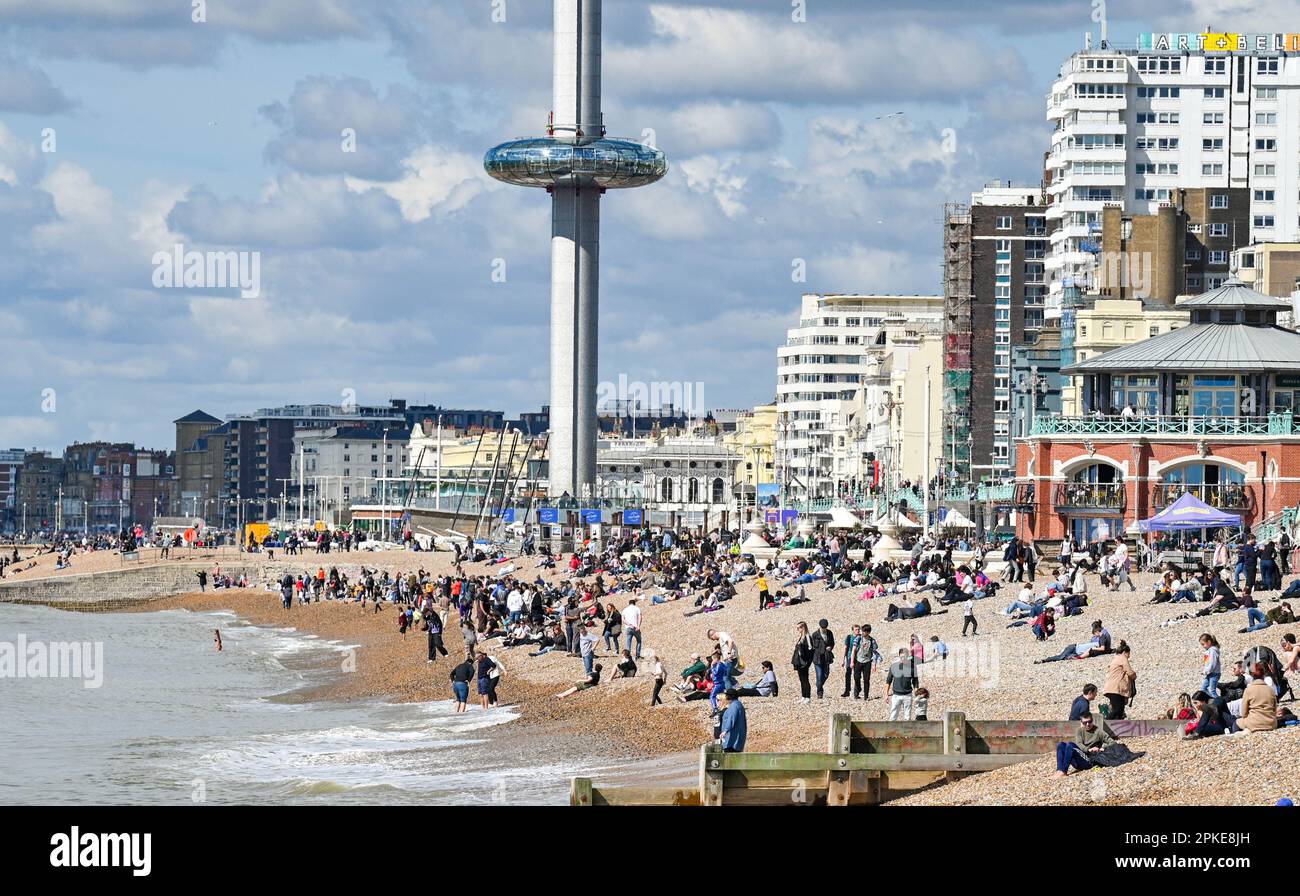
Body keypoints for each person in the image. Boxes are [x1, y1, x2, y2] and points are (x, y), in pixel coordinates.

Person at [1052, 712, 1116, 778]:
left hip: (1089, 761)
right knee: (1061, 744)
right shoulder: (1080, 731)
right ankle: (1059, 770)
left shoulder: (1099, 732)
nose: (1087, 724)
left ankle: (1063, 771)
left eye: (1089, 722)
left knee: (1070, 745)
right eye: (1085, 723)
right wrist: (1088, 749)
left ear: (1092, 720)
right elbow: (1079, 744)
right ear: (1081, 722)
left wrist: (1102, 748)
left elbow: (1112, 742)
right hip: (1080, 759)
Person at [1236, 662, 1279, 734]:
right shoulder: (1270, 689)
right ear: (1263, 674)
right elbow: (1274, 709)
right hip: (1271, 724)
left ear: (1252, 675)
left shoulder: (1249, 690)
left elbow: (1244, 713)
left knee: (1236, 722)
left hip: (1254, 723)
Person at [1102, 641, 1137, 720]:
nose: (1129, 656)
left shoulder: (1115, 659)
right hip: (1116, 689)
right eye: (1128, 654)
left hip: (1111, 688)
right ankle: (1104, 723)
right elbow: (1130, 672)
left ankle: (1116, 727)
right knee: (1118, 709)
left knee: (1119, 711)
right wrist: (1135, 675)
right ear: (1125, 652)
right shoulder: (1122, 659)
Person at [885, 648, 919, 721]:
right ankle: (892, 731)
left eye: (904, 657)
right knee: (893, 716)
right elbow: (888, 680)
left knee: (907, 717)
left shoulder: (913, 667)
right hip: (896, 695)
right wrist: (886, 694)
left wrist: (917, 695)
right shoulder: (894, 666)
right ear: (899, 656)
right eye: (901, 657)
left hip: (907, 695)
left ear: (907, 656)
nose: (902, 659)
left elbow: (915, 682)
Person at [811, 618, 835, 699]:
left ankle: (818, 685)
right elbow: (812, 647)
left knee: (826, 674)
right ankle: (820, 693)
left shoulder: (829, 633)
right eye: (823, 628)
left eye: (825, 628)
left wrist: (830, 647)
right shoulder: (815, 635)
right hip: (817, 658)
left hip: (827, 657)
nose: (824, 629)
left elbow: (832, 643)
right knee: (819, 675)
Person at [791, 621, 814, 704]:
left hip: (804, 662)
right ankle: (803, 696)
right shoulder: (801, 637)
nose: (798, 630)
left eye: (799, 628)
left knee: (805, 679)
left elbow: (811, 650)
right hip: (799, 662)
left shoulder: (807, 637)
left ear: (803, 627)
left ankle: (808, 697)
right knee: (801, 679)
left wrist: (808, 662)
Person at [718, 689, 747, 753]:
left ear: (730, 696)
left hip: (732, 740)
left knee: (729, 759)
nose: (725, 697)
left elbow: (731, 719)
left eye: (726, 695)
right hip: (736, 739)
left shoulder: (734, 706)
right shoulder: (738, 704)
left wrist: (725, 731)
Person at [853, 624, 877, 700]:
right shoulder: (858, 638)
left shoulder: (872, 641)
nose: (862, 632)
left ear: (868, 632)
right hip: (858, 661)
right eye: (862, 631)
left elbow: (874, 653)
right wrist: (851, 662)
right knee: (856, 678)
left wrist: (874, 665)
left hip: (867, 662)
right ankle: (858, 690)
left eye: (864, 631)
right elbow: (853, 650)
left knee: (866, 679)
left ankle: (866, 696)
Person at [1199, 633, 1221, 698]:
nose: (1203, 646)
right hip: (1210, 673)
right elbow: (1208, 663)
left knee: (1212, 690)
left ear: (1209, 642)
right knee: (1203, 689)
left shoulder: (1213, 651)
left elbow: (1212, 664)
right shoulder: (1209, 651)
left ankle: (1220, 704)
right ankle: (1212, 702)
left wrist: (1206, 671)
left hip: (1214, 673)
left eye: (1203, 644)